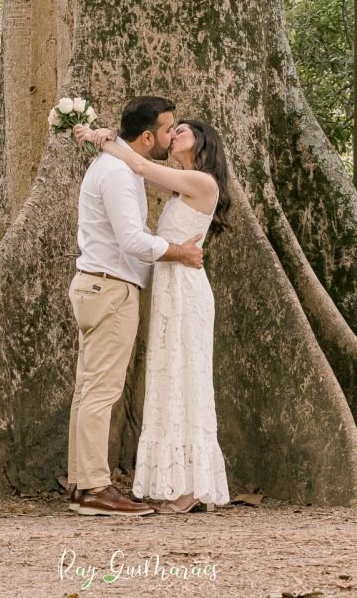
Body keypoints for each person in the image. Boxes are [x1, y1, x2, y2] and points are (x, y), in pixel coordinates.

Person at [75, 116, 231, 513]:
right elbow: (137, 166)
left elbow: (139, 165)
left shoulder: (203, 182)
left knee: (187, 377)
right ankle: (178, 481)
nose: (174, 133)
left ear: (202, 141)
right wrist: (106, 138)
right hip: (168, 290)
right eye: (171, 128)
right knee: (169, 376)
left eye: (182, 130)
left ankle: (193, 487)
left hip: (187, 291)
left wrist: (98, 137)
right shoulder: (180, 184)